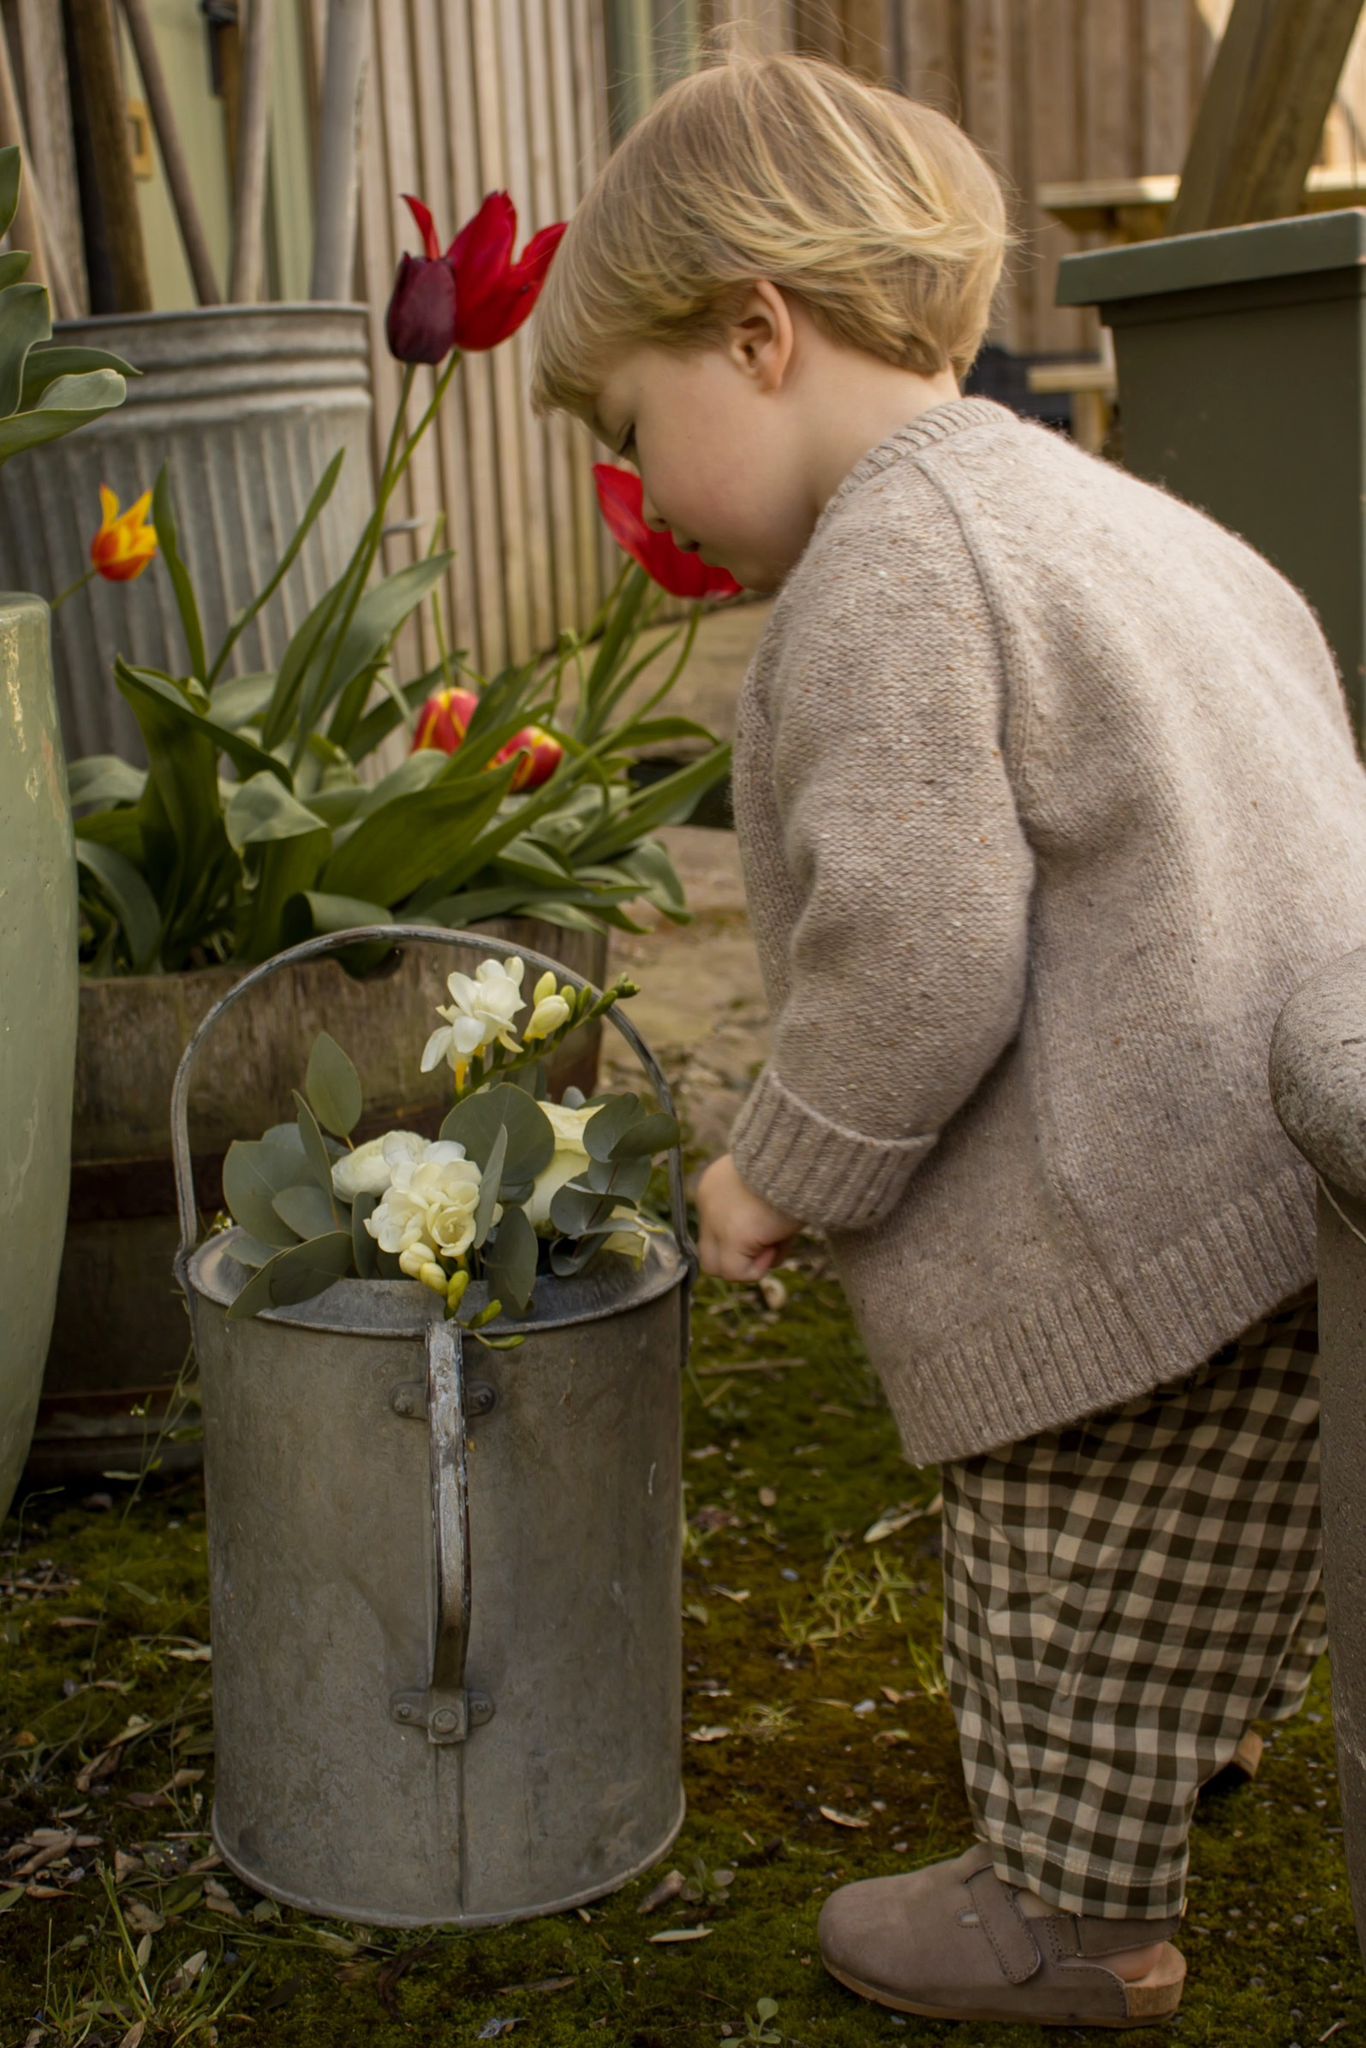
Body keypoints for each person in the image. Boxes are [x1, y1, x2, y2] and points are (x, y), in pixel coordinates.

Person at [528, 40, 1366, 2030]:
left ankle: (1066, 1918)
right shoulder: (1114, 512)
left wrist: (775, 1164)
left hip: (1130, 1221)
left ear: (753, 332)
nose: (637, 489)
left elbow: (915, 956)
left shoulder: (885, 572)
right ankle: (1184, 1733)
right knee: (1239, 1505)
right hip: (1293, 1161)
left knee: (1049, 1547)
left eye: (633, 427)